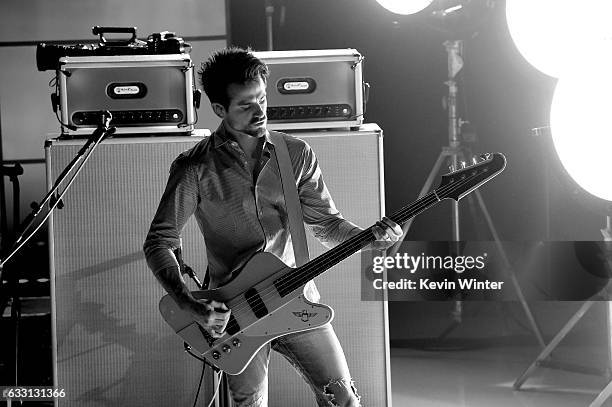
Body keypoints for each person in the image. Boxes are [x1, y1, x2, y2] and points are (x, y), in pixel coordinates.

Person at [143, 47, 402, 407]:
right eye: (245, 105)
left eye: (262, 99)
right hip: (235, 312)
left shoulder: (295, 153)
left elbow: (326, 225)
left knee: (344, 398)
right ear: (219, 109)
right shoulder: (194, 168)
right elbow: (160, 241)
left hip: (297, 297)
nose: (260, 111)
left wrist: (368, 239)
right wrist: (190, 305)